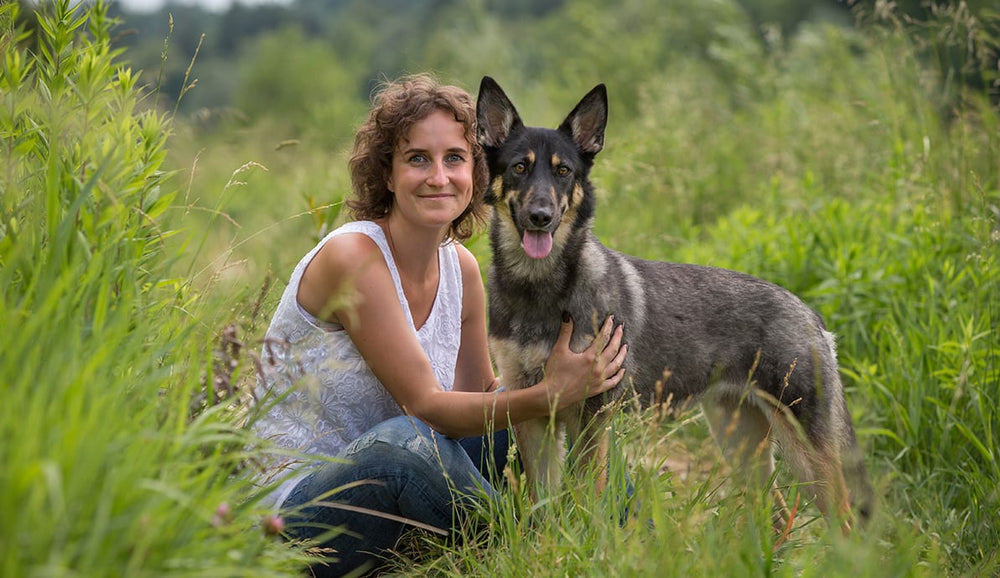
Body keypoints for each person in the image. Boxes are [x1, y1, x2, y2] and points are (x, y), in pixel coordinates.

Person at [251, 73, 627, 577]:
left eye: (455, 158)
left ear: (478, 171)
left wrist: (563, 395)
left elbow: (483, 399)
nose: (438, 177)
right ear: (387, 174)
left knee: (576, 437)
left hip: (398, 481)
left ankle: (597, 543)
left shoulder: (463, 270)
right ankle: (532, 548)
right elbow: (428, 408)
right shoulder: (353, 257)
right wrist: (549, 393)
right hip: (299, 512)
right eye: (416, 159)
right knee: (409, 445)